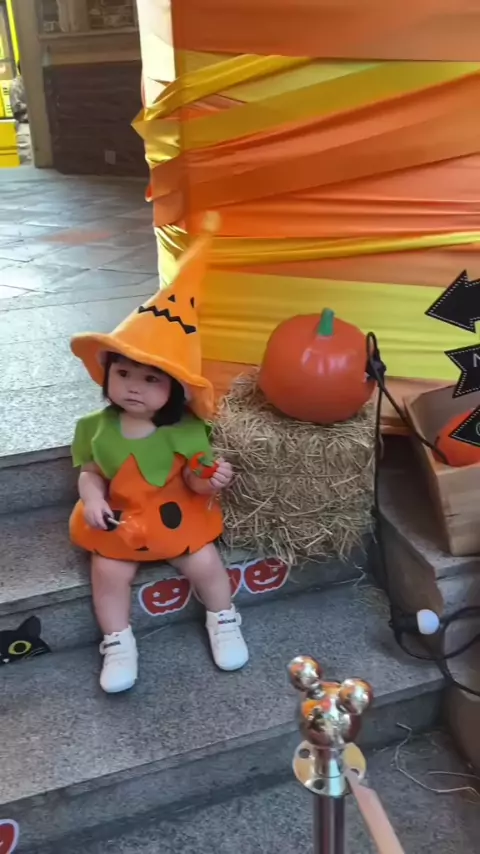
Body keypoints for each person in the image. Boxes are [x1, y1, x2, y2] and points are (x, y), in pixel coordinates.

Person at [69, 216, 249, 694]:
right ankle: (117, 640)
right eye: (124, 373)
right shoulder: (95, 427)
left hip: (176, 518)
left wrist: (210, 479)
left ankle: (223, 617)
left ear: (174, 391)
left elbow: (194, 478)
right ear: (108, 375)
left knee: (205, 563)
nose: (134, 387)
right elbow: (91, 471)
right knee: (107, 570)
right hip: (121, 520)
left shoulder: (186, 431)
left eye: (151, 379)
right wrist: (92, 497)